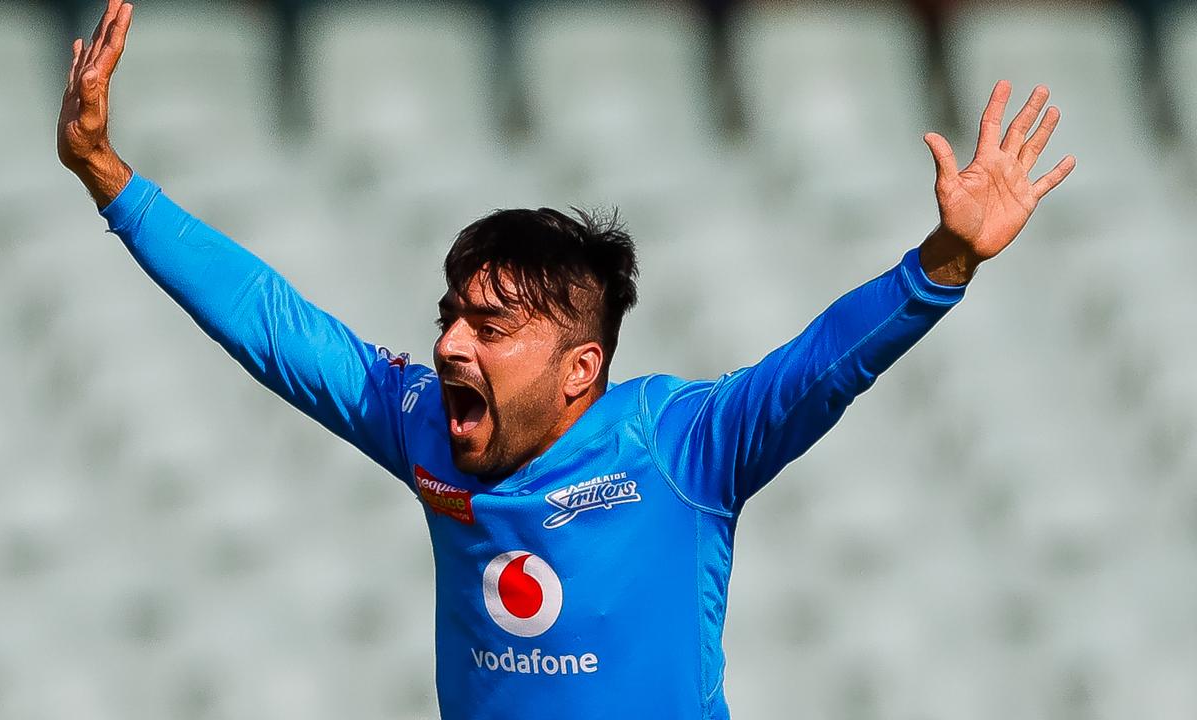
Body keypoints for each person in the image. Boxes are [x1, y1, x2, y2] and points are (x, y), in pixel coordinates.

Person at [56, 2, 1076, 718]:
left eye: (490, 328)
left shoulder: (681, 447)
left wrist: (941, 260)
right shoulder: (423, 423)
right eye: (451, 316)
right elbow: (271, 323)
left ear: (580, 369)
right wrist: (110, 177)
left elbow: (821, 365)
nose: (450, 343)